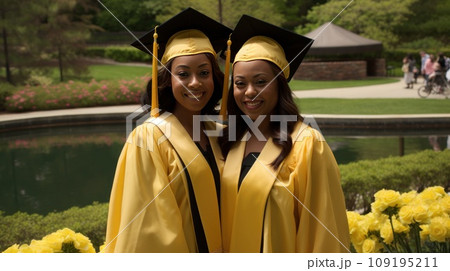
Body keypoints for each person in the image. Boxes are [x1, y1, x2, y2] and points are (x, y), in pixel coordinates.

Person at [218, 15, 350, 253]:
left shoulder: (307, 144)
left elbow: (323, 230)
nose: (250, 92)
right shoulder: (230, 140)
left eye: (261, 81)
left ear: (280, 85)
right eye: (240, 83)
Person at [104, 8, 231, 252]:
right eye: (183, 74)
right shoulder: (147, 139)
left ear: (214, 77)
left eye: (204, 73)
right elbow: (149, 227)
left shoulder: (220, 133)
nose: (195, 82)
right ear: (167, 80)